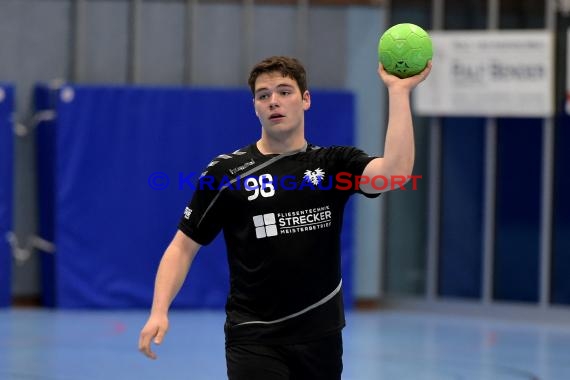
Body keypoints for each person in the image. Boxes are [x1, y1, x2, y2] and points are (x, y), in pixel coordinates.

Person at [138, 55, 431, 379]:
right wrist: (159, 310)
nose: (273, 101)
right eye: (264, 95)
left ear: (305, 99)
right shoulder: (227, 173)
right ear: (255, 107)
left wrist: (399, 92)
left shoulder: (334, 164)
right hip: (254, 337)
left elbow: (395, 173)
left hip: (321, 335)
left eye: (284, 91)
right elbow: (182, 246)